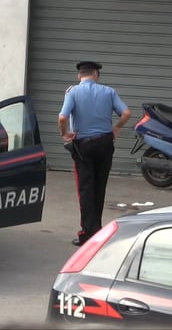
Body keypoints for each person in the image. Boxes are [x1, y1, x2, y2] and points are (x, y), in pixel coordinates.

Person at [57, 61, 131, 246]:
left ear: (79, 75)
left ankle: (87, 234)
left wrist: (64, 134)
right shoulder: (109, 92)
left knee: (86, 190)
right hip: (105, 144)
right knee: (99, 187)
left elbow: (62, 117)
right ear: (96, 74)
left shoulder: (72, 92)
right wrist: (116, 128)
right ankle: (97, 231)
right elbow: (126, 113)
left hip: (84, 147)